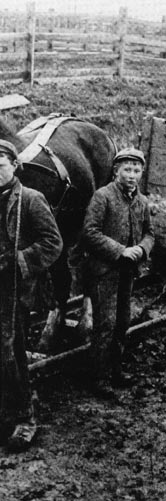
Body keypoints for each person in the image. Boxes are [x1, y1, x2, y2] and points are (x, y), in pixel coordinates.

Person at [0, 139, 63, 451]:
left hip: (14, 290)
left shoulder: (31, 199)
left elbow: (52, 243)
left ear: (14, 166)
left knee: (11, 353)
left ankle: (24, 419)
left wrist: (16, 262)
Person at [82, 147, 154, 398]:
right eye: (127, 170)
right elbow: (89, 233)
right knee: (106, 324)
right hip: (105, 270)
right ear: (116, 171)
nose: (132, 175)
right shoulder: (103, 196)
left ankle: (115, 369)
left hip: (128, 271)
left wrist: (142, 250)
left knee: (122, 321)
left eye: (136, 170)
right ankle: (98, 378)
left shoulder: (142, 201)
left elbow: (149, 233)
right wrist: (121, 250)